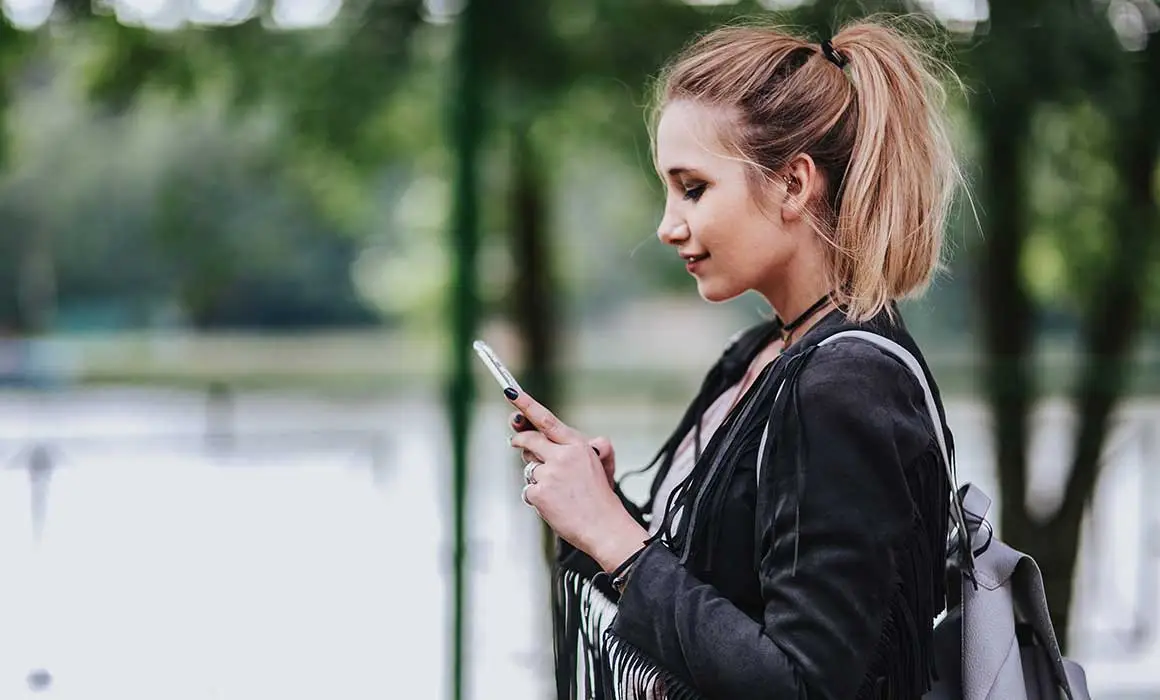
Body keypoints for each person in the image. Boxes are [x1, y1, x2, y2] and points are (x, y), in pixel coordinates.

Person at [505, 17, 961, 700]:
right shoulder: (767, 353)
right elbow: (728, 592)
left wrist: (617, 540)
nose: (667, 226)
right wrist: (598, 511)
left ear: (793, 185)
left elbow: (802, 685)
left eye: (693, 187)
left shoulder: (843, 384)